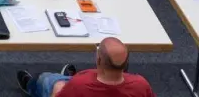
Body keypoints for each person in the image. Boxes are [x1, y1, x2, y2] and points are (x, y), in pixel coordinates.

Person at [18, 37, 153, 97]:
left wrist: (57, 91)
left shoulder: (80, 83)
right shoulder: (141, 84)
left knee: (49, 80)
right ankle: (66, 78)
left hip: (74, 88)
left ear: (99, 59)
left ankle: (30, 85)